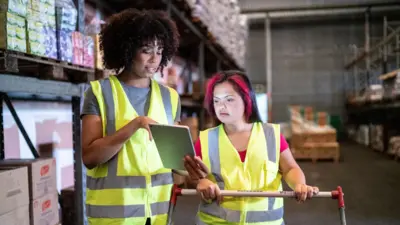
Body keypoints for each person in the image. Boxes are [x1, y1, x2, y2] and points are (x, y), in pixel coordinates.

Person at [80, 9, 181, 225]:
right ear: (126, 50)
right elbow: (89, 157)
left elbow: (176, 162)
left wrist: (191, 166)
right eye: (146, 50)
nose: (155, 59)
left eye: (160, 51)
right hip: (114, 217)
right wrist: (134, 125)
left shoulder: (170, 98)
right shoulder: (99, 93)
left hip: (158, 214)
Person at [184, 70, 319, 225]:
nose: (222, 106)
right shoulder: (205, 140)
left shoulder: (271, 135)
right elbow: (192, 177)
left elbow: (290, 168)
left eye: (229, 99)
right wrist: (200, 182)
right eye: (216, 101)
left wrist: (299, 184)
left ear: (246, 99)